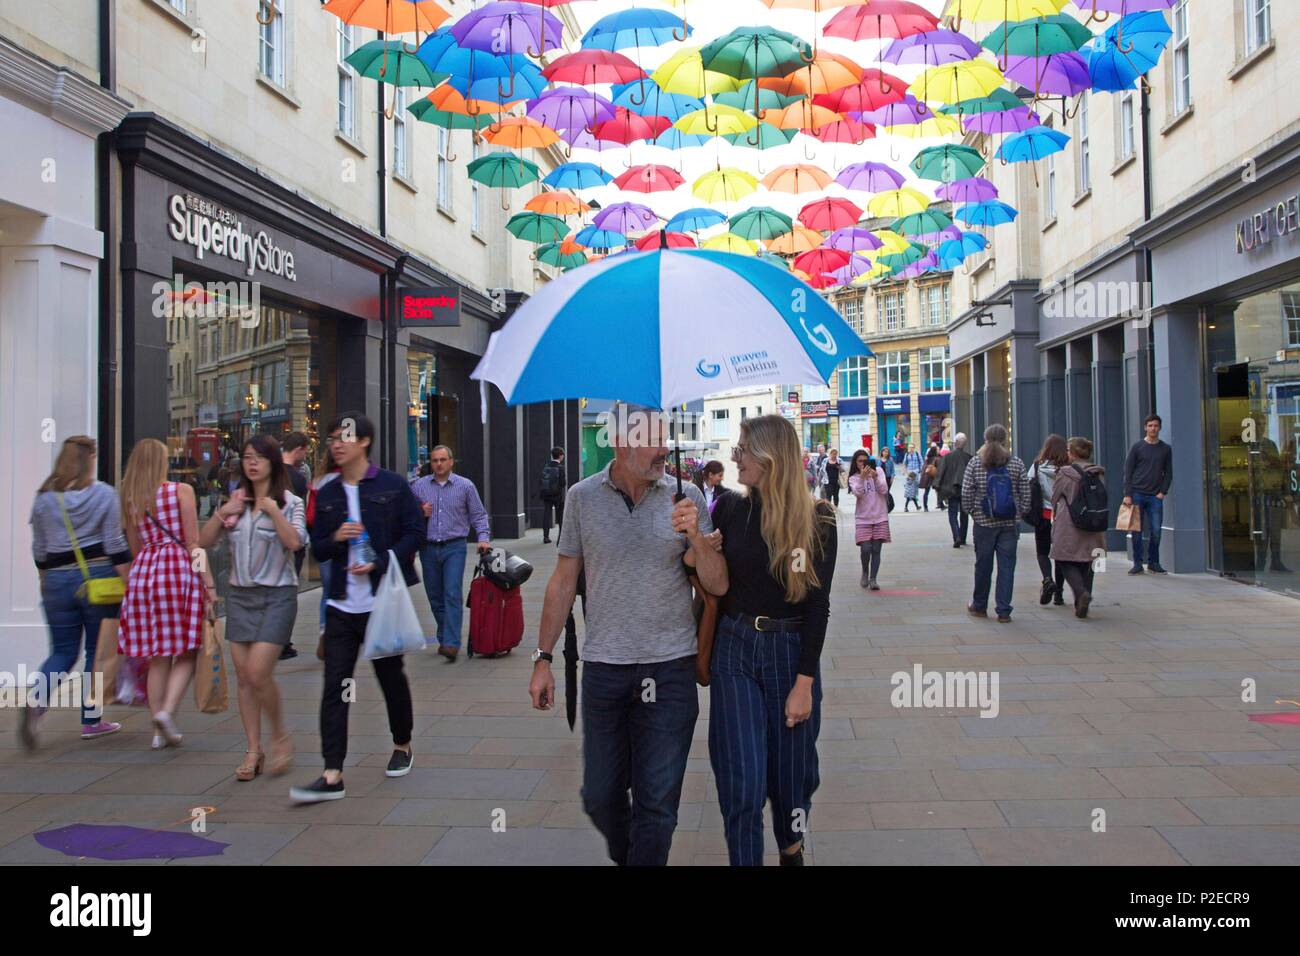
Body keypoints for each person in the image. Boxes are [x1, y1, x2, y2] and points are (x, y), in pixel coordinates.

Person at [528, 403, 726, 866]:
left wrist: (696, 537)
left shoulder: (688, 497)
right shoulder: (581, 497)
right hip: (604, 670)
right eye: (651, 440)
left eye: (665, 438)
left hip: (671, 668)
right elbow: (561, 581)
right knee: (600, 796)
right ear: (619, 443)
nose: (663, 450)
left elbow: (718, 584)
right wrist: (543, 657)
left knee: (657, 806)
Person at [709, 415, 835, 866]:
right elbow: (712, 581)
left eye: (742, 449)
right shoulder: (727, 508)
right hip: (735, 646)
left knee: (793, 779)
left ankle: (791, 847)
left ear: (769, 456)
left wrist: (804, 684)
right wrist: (693, 543)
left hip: (790, 652)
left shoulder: (817, 520)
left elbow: (816, 606)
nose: (734, 458)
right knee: (740, 777)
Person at [291, 412, 425, 803]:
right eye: (332, 437)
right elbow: (318, 548)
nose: (336, 443)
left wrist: (381, 560)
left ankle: (402, 744)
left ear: (364, 441)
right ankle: (333, 773)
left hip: (380, 603)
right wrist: (334, 536)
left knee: (390, 678)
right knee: (335, 686)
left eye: (344, 437)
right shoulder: (327, 491)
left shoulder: (392, 486)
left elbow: (414, 532)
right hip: (341, 606)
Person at [199, 435, 306, 780]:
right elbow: (203, 543)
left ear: (273, 462)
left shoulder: (290, 502)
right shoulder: (236, 501)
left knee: (259, 673)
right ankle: (252, 749)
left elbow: (294, 543)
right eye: (247, 457)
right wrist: (222, 513)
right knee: (245, 678)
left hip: (277, 595)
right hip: (240, 597)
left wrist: (274, 512)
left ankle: (279, 737)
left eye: (259, 457)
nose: (252, 463)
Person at [22, 436, 132, 749]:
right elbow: (114, 544)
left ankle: (37, 703)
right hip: (97, 577)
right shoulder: (104, 494)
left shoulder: (44, 499)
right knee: (97, 653)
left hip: (56, 580)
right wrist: (130, 579)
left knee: (62, 651)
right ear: (91, 459)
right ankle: (92, 720)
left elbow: (39, 548)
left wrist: (45, 577)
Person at [117, 438, 213, 749]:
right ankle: (167, 712)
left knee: (158, 656)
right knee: (186, 649)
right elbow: (192, 543)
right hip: (176, 572)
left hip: (144, 574)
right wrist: (208, 584)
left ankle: (158, 728)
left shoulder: (131, 499)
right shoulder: (181, 491)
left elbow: (134, 548)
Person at [410, 444, 492, 661]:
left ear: (451, 462)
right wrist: (419, 511)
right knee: (435, 596)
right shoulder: (418, 487)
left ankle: (451, 643)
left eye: (442, 460)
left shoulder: (465, 486)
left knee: (452, 593)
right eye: (435, 460)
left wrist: (483, 539)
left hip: (454, 546)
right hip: (428, 548)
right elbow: (405, 515)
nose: (438, 464)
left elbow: (479, 515)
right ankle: (445, 635)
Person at [961, 424, 1030, 623]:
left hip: (984, 523)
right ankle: (1004, 610)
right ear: (1005, 440)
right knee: (1007, 567)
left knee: (983, 565)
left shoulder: (976, 463)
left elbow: (967, 492)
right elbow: (1025, 490)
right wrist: (1021, 511)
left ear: (985, 439)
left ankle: (979, 605)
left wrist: (972, 512)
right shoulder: (1015, 463)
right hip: (1009, 522)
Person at [1051, 437, 1106, 619]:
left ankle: (1080, 593)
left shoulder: (1066, 473)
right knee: (1088, 561)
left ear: (1073, 454)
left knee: (1064, 559)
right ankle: (1082, 602)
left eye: (1068, 450)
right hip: (1093, 524)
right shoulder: (1097, 472)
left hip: (1070, 524)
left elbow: (1055, 495)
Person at [277, 431, 313, 661]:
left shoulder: (270, 472)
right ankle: (282, 641)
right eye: (306, 450)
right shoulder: (298, 479)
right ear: (299, 449)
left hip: (267, 542)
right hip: (291, 541)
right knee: (288, 593)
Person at [1124, 413, 1173, 575]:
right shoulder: (1137, 447)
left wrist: (1162, 492)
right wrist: (1128, 494)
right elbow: (1128, 471)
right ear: (1145, 427)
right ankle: (1138, 563)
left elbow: (1169, 473)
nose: (1153, 428)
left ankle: (1153, 562)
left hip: (1155, 496)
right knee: (1136, 530)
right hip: (1137, 493)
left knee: (1156, 530)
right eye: (1150, 425)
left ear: (1160, 428)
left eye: (1156, 426)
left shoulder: (1165, 449)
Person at [306, 454, 341, 662]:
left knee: (327, 591)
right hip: (347, 543)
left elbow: (310, 517)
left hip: (324, 541)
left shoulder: (318, 481)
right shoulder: (349, 479)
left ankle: (324, 631)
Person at [1029, 435, 1068, 607]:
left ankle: (1047, 579)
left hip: (1044, 514)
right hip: (1063, 516)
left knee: (1042, 551)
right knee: (1060, 554)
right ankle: (1059, 592)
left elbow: (1028, 483)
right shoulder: (1068, 468)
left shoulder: (1037, 466)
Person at [848, 451, 890, 590]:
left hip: (880, 516)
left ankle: (873, 579)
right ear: (855, 463)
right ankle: (865, 571)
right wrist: (862, 478)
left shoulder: (878, 471)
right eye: (860, 461)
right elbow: (858, 493)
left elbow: (884, 490)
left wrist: (875, 477)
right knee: (866, 549)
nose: (863, 464)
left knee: (876, 549)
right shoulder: (854, 478)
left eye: (865, 461)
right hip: (863, 518)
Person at [935, 432, 972, 548]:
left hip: (951, 490)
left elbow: (940, 473)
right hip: (965, 490)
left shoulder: (947, 457)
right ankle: (962, 537)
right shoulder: (969, 458)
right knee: (964, 515)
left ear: (955, 444)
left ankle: (956, 536)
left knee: (952, 514)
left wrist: (937, 486)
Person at [539, 446, 566, 544]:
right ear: (560, 456)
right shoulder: (560, 468)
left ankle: (546, 537)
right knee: (560, 516)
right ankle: (561, 537)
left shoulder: (546, 466)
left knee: (546, 515)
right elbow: (563, 483)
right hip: (558, 496)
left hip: (546, 495)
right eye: (563, 455)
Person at [919, 444, 940, 511]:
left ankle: (925, 507)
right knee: (939, 490)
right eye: (937, 450)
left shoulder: (927, 459)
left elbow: (923, 468)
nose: (938, 451)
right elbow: (939, 468)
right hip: (934, 477)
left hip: (927, 477)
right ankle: (941, 504)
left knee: (926, 492)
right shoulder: (936, 459)